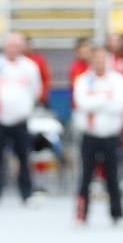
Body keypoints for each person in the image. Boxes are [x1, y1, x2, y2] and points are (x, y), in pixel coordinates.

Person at [73, 45, 123, 225]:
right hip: (90, 135)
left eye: (102, 58)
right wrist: (106, 100)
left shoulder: (119, 80)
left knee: (113, 176)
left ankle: (117, 214)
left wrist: (95, 103)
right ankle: (81, 214)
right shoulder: (82, 80)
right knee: (86, 176)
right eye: (96, 58)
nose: (99, 62)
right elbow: (82, 103)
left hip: (111, 135)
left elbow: (120, 105)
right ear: (91, 60)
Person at [0, 32, 41, 205]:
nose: (13, 49)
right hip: (1, 120)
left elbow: (35, 90)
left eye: (16, 46)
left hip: (20, 120)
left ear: (21, 47)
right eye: (10, 45)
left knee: (24, 158)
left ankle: (26, 193)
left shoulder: (30, 67)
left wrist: (23, 108)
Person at [20, 37, 51, 108]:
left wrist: (42, 95)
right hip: (22, 97)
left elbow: (46, 79)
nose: (27, 47)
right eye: (25, 45)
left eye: (29, 45)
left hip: (38, 98)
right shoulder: (17, 61)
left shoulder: (39, 60)